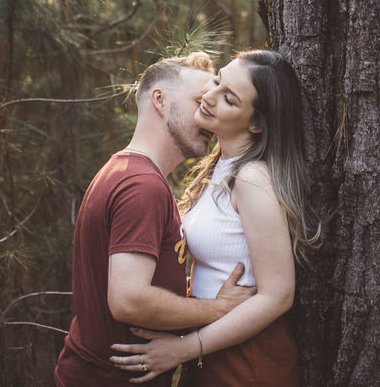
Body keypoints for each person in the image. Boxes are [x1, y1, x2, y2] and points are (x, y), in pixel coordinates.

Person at [109, 49, 318, 386]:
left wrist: (185, 348)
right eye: (217, 81)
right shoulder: (219, 167)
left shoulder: (251, 178)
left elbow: (278, 295)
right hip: (212, 350)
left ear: (255, 122)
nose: (209, 97)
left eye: (229, 99)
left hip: (248, 360)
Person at [54, 52, 255, 387]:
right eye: (198, 101)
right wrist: (217, 309)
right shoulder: (142, 186)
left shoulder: (129, 171)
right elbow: (128, 300)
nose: (209, 116)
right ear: (160, 101)